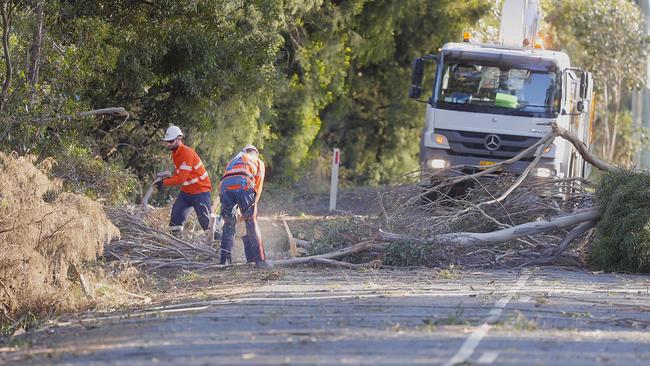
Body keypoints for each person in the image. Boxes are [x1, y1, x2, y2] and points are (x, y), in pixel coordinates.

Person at [219, 144, 271, 269]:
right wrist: (252, 210)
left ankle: (225, 261)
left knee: (229, 223)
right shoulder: (258, 161)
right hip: (244, 184)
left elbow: (228, 180)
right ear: (255, 153)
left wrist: (235, 210)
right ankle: (260, 260)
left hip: (224, 187)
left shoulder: (233, 160)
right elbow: (256, 188)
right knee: (251, 221)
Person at [157, 125, 213, 239]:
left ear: (178, 139)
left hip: (200, 191)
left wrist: (164, 183)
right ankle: (177, 250)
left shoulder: (187, 153)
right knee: (174, 223)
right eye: (167, 141)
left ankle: (222, 248)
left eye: (171, 141)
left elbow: (181, 179)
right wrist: (165, 180)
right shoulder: (175, 154)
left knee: (206, 225)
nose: (168, 144)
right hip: (186, 193)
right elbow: (180, 175)